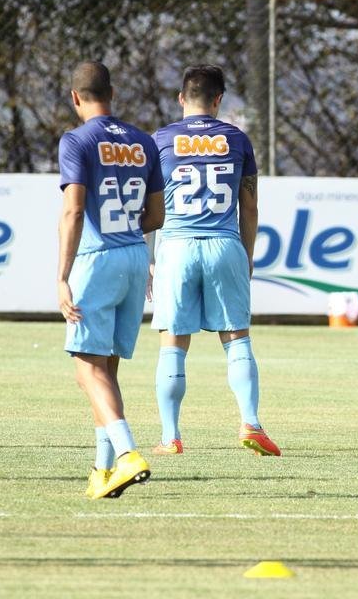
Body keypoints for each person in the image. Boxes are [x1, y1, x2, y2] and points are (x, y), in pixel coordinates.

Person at [148, 65, 278, 457]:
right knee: (237, 339)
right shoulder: (237, 140)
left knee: (173, 344)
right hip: (224, 244)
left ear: (181, 98)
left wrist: (152, 258)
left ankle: (171, 437)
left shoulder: (160, 140)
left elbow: (148, 205)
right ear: (219, 100)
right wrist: (247, 254)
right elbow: (250, 205)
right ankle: (251, 423)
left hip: (177, 247)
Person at [57, 61, 164, 499]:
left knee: (86, 367)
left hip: (96, 260)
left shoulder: (76, 140)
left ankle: (127, 453)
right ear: (112, 93)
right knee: (107, 370)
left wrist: (62, 276)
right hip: (135, 257)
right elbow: (156, 215)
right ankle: (102, 472)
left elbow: (74, 210)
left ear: (75, 97)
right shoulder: (143, 141)